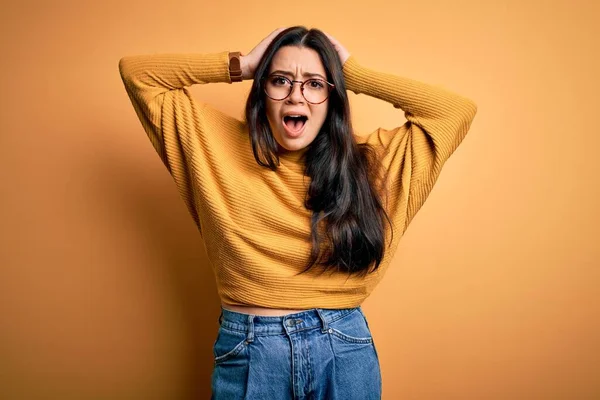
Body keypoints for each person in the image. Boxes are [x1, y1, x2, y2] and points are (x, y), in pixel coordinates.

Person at [119, 26, 477, 399]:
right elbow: (137, 73)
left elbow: (454, 112)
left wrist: (353, 75)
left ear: (332, 97)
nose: (296, 96)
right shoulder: (211, 141)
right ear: (262, 91)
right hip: (251, 349)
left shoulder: (372, 163)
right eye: (280, 80)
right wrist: (243, 64)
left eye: (315, 84)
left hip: (343, 346)